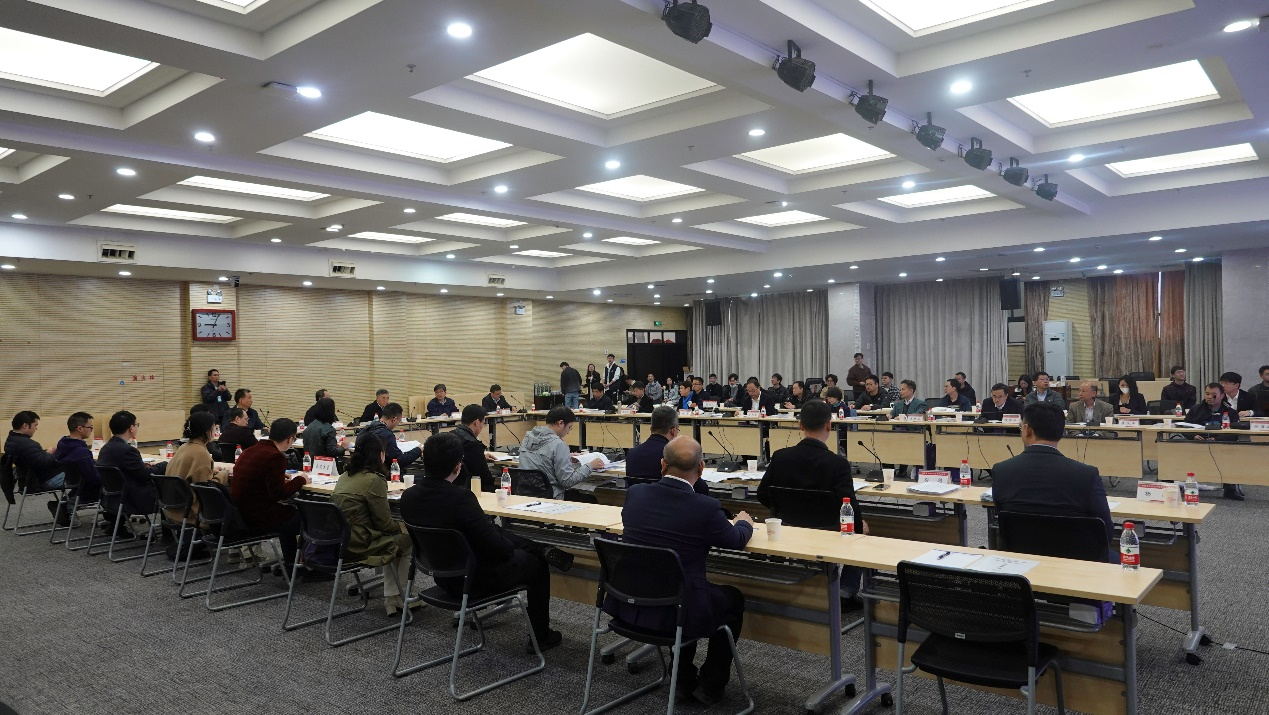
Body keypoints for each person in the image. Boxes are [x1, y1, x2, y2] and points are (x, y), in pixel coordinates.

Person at [610, 436, 753, 705]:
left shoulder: (635, 494)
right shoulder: (705, 508)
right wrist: (744, 522)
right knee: (730, 598)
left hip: (630, 603)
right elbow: (735, 540)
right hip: (679, 610)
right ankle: (711, 685)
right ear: (701, 469)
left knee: (680, 588)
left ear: (662, 465)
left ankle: (683, 679)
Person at [400, 432, 573, 651]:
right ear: (457, 467)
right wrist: (510, 548)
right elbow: (497, 548)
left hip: (442, 576)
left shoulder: (408, 497)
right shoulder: (461, 499)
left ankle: (540, 548)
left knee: (496, 530)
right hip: (473, 580)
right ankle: (541, 636)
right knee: (535, 563)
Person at [756, 399, 867, 609]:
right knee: (862, 531)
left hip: (788, 525)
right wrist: (860, 529)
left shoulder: (780, 457)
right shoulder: (837, 464)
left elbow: (762, 494)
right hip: (828, 529)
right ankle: (846, 590)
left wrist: (783, 510)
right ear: (829, 425)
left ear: (800, 425)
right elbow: (849, 505)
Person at [990, 403, 1115, 558]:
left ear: (1027, 430)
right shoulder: (1086, 474)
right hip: (1078, 560)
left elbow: (1002, 519)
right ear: (1061, 432)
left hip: (1021, 557)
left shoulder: (1002, 471)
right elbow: (1106, 532)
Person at [331, 434, 414, 615]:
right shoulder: (375, 480)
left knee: (395, 539)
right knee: (409, 538)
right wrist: (403, 527)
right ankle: (399, 596)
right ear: (380, 454)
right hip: (359, 544)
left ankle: (393, 597)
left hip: (338, 542)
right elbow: (384, 524)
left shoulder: (344, 476)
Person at [230, 418, 306, 572]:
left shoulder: (249, 450)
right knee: (305, 518)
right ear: (290, 439)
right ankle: (296, 565)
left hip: (240, 514)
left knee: (289, 514)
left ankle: (291, 562)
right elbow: (279, 494)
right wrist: (300, 480)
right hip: (258, 517)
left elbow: (259, 478)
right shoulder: (275, 456)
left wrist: (278, 477)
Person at [518, 406, 605, 498]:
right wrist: (590, 466)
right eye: (569, 427)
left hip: (525, 497)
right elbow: (567, 481)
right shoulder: (558, 444)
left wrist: (565, 456)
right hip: (551, 498)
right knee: (591, 499)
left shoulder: (527, 438)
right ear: (561, 423)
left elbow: (540, 457)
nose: (568, 432)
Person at [97, 410, 164, 525]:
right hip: (133, 498)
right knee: (169, 490)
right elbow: (145, 475)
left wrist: (141, 466)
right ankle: (168, 532)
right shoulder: (128, 450)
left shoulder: (106, 448)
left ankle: (116, 525)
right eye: (136, 425)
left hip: (111, 498)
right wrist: (163, 465)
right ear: (131, 428)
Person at [625, 406, 708, 495]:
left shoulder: (632, 453)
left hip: (639, 501)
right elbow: (699, 488)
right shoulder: (674, 456)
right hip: (672, 501)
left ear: (651, 428)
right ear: (673, 431)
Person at [164, 411, 229, 523]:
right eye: (214, 427)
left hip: (173, 509)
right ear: (207, 431)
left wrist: (211, 471)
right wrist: (223, 475)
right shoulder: (201, 453)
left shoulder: (183, 447)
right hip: (192, 514)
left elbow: (192, 474)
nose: (216, 429)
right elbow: (208, 490)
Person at [5, 411, 65, 499]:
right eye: (35, 425)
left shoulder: (11, 440)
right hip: (42, 481)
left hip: (26, 481)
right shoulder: (26, 444)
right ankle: (71, 503)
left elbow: (33, 458)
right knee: (81, 474)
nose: (36, 428)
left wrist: (47, 453)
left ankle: (67, 503)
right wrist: (53, 454)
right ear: (25, 425)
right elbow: (42, 462)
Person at [1218, 371, 1257, 501]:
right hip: (1223, 433)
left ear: (1236, 385)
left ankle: (1235, 483)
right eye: (1221, 383)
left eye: (1226, 383)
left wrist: (1250, 412)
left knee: (1240, 455)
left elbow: (1260, 412)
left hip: (1243, 432)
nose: (1223, 386)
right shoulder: (1219, 396)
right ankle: (1229, 485)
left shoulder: (1249, 396)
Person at [54, 412, 101, 511]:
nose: (91, 430)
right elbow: (93, 478)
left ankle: (66, 503)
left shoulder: (63, 445)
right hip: (90, 490)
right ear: (80, 428)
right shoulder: (81, 452)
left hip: (75, 485)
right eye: (90, 427)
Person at [357, 403, 422, 471]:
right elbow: (400, 461)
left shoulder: (365, 429)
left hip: (361, 470)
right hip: (380, 473)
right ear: (394, 419)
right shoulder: (387, 435)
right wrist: (418, 450)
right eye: (399, 421)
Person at [453, 404, 496, 492]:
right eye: (483, 423)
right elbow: (485, 477)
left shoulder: (450, 436)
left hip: (451, 486)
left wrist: (481, 457)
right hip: (470, 490)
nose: (482, 426)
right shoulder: (473, 445)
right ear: (476, 422)